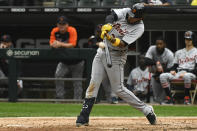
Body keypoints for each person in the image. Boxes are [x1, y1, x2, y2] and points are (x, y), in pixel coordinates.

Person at [76, 3, 157, 127]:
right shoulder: (126, 11)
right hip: (102, 51)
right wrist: (107, 26)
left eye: (133, 16)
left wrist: (111, 38)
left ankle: (147, 110)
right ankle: (83, 116)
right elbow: (111, 15)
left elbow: (123, 44)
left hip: (116, 55)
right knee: (94, 82)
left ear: (140, 18)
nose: (129, 17)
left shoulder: (139, 28)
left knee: (118, 89)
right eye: (130, 14)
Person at [49, 16, 84, 100]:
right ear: (57, 24)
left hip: (77, 61)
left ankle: (77, 100)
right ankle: (60, 97)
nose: (61, 26)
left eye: (63, 24)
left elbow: (72, 44)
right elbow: (51, 43)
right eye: (60, 24)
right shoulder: (55, 31)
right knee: (58, 76)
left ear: (67, 24)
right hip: (64, 61)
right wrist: (54, 44)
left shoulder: (71, 30)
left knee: (77, 82)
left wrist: (60, 44)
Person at [160, 31, 197, 105]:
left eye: (190, 39)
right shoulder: (178, 52)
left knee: (186, 76)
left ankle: (187, 99)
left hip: (191, 74)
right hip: (179, 72)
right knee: (162, 76)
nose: (188, 41)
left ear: (193, 40)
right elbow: (175, 66)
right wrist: (173, 70)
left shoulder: (196, 51)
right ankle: (169, 98)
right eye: (186, 39)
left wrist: (187, 72)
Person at [86, 24, 119, 104]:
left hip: (110, 61)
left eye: (101, 31)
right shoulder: (93, 37)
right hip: (98, 63)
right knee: (103, 81)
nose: (99, 33)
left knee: (114, 80)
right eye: (98, 31)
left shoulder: (109, 37)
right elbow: (93, 43)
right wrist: (98, 44)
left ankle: (114, 97)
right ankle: (108, 99)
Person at [145, 36, 174, 104]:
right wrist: (156, 63)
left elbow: (171, 69)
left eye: (161, 44)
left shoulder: (169, 54)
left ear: (164, 45)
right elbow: (146, 61)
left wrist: (160, 73)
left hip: (166, 76)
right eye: (157, 44)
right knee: (157, 99)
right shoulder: (152, 48)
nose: (158, 45)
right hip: (155, 75)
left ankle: (169, 99)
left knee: (162, 98)